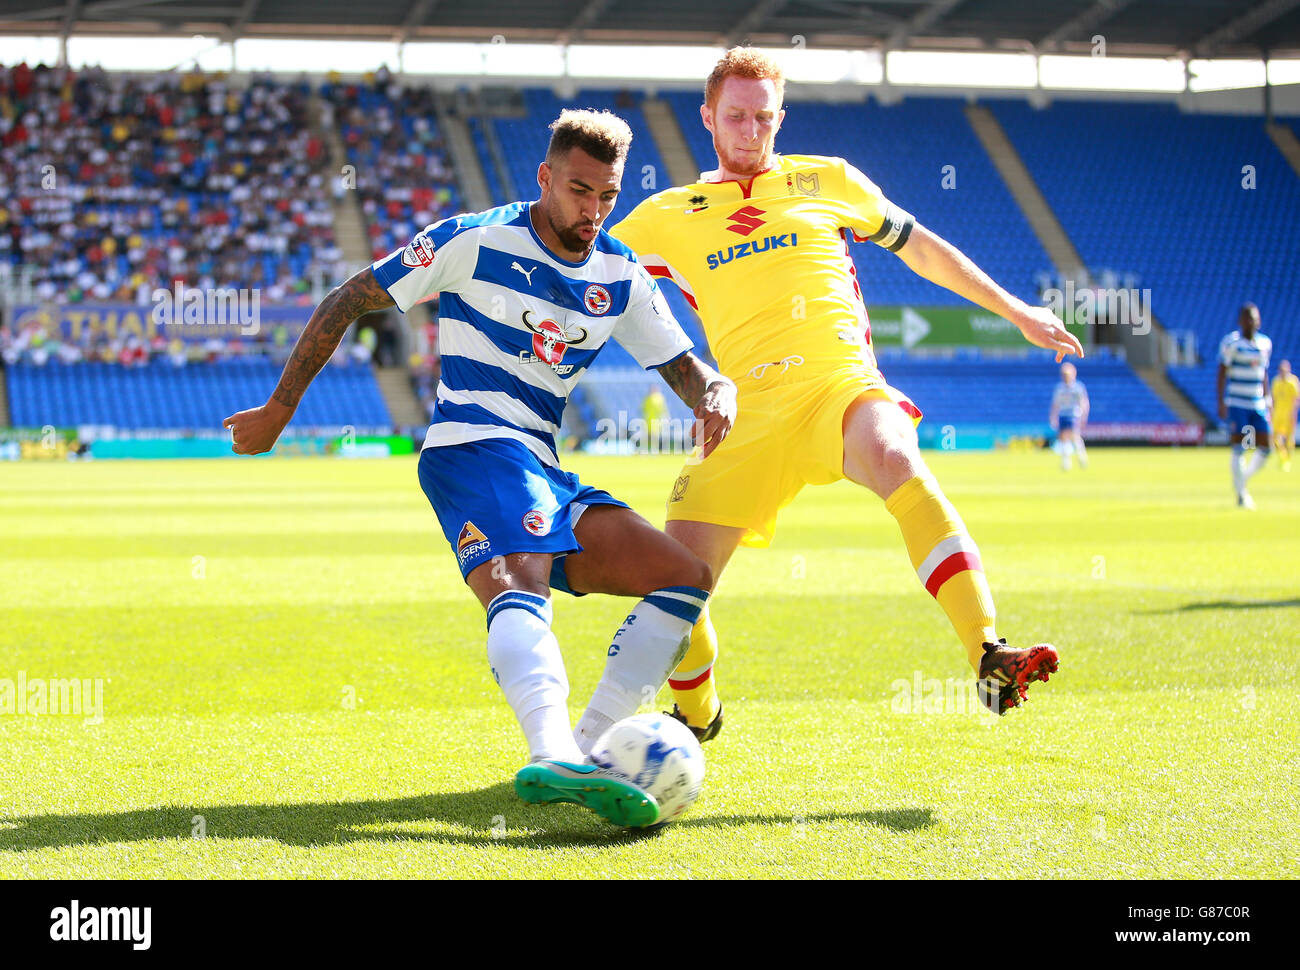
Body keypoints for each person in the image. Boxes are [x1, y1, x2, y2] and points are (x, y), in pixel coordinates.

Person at [224, 110, 738, 827]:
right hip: (472, 443)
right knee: (521, 579)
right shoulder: (474, 239)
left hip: (545, 468)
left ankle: (585, 748)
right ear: (546, 177)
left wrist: (716, 391)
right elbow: (350, 296)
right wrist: (280, 408)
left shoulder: (620, 275)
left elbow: (686, 369)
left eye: (607, 196)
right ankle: (551, 749)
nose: (592, 210)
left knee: (685, 579)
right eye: (579, 190)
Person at [612, 48, 1082, 727]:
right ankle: (697, 713)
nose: (749, 132)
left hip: (839, 385)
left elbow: (921, 247)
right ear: (709, 117)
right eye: (736, 117)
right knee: (674, 582)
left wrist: (1017, 312)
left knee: (897, 455)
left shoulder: (826, 179)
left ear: (781, 118)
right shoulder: (665, 215)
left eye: (764, 119)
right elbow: (589, 276)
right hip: (743, 413)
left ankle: (987, 652)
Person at [1217, 303, 1272, 509]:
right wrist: (1221, 401)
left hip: (1257, 403)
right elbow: (1222, 371)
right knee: (1240, 448)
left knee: (1266, 447)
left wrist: (1268, 399)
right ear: (1240, 321)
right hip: (1238, 403)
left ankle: (1242, 480)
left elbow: (1264, 373)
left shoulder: (1265, 344)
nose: (1251, 321)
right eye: (1247, 318)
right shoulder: (1232, 343)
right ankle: (1241, 495)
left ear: (1259, 320)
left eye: (1254, 318)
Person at [1049, 362, 1090, 471]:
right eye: (1064, 374)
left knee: (1074, 436)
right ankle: (1066, 462)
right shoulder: (1059, 388)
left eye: (1067, 374)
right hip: (1063, 414)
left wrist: (1083, 415)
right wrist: (1053, 417)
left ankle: (1082, 457)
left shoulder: (1078, 387)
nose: (1065, 376)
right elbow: (1055, 404)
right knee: (1063, 438)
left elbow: (1084, 402)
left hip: (1073, 414)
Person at [1271, 360, 1298, 472]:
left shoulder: (1292, 382)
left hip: (1288, 414)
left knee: (1289, 438)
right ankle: (1283, 456)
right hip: (1277, 414)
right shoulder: (1276, 382)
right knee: (1274, 438)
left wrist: (1294, 414)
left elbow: (1296, 400)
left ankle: (1287, 460)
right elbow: (1273, 399)